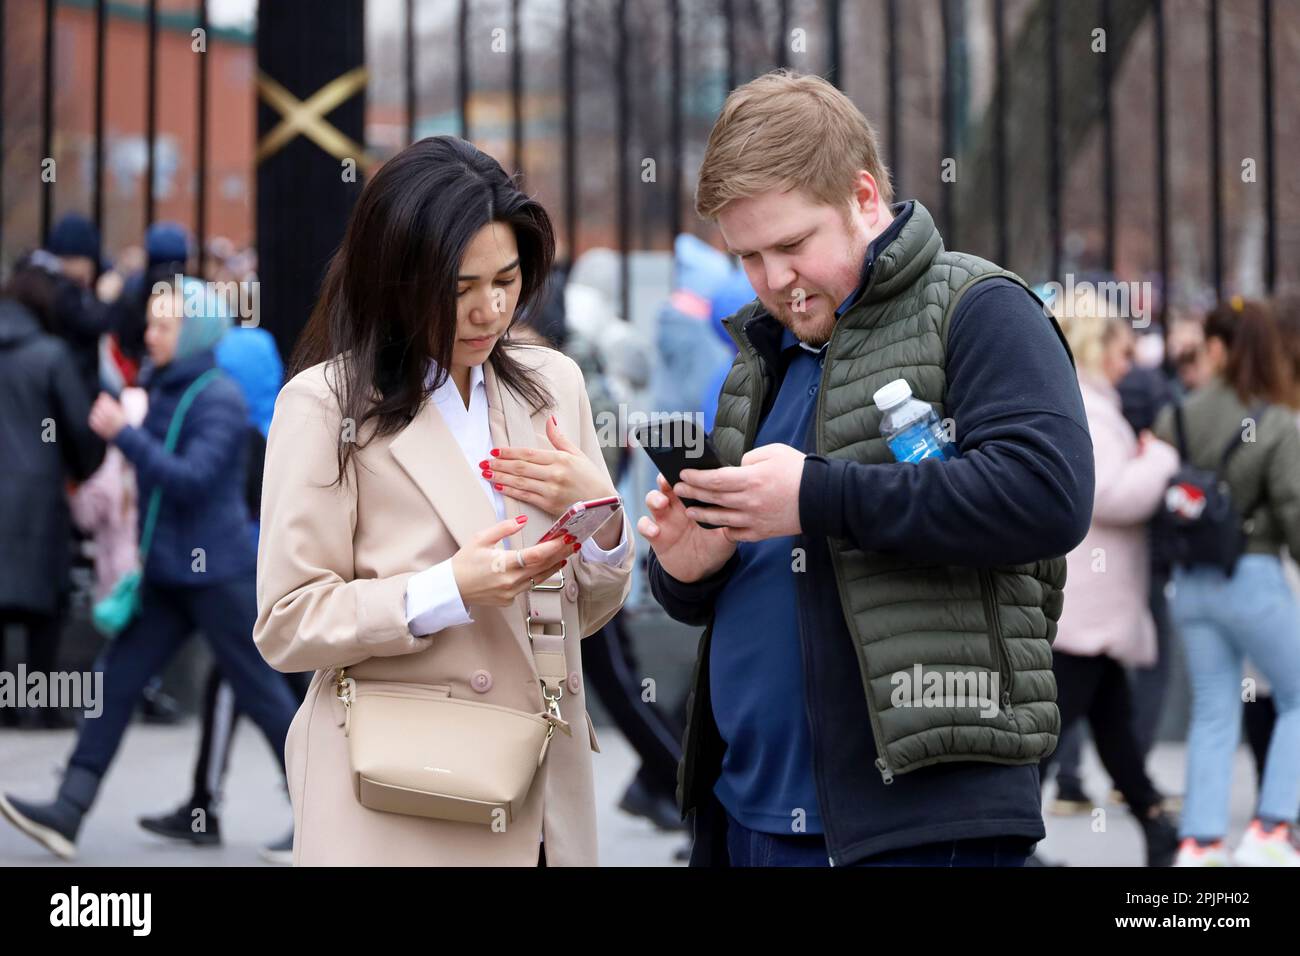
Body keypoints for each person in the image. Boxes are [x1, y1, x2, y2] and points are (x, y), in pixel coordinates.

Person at [640, 70, 1093, 867]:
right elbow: (762, 571)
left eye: (791, 245)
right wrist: (690, 570)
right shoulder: (763, 355)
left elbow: (1046, 496)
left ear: (863, 196)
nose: (773, 279)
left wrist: (817, 495)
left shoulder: (979, 306)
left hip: (920, 823)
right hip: (749, 814)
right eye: (748, 256)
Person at [253, 135, 634, 867]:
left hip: (543, 795)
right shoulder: (323, 407)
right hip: (398, 798)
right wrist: (444, 592)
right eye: (459, 288)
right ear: (395, 279)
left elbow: (583, 611)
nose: (489, 310)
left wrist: (604, 519)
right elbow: (287, 623)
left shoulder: (554, 384)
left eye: (507, 279)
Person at [0, 277, 299, 861]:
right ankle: (69, 808)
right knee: (112, 685)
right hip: (170, 576)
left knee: (263, 695)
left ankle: (319, 812)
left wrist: (126, 437)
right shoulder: (166, 385)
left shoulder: (220, 397)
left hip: (217, 575)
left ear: (194, 333)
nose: (150, 334)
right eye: (153, 322)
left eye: (165, 325)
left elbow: (191, 480)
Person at [1156, 298, 1300, 867]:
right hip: (1253, 577)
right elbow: (1294, 514)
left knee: (1214, 709)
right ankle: (1271, 828)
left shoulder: (1179, 415)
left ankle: (1201, 840)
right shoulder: (1278, 421)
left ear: (1219, 348)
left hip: (1192, 583)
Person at [1041, 296, 1181, 866]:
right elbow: (1111, 494)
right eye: (1122, 349)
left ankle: (1154, 824)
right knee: (1047, 735)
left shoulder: (1090, 400)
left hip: (1094, 607)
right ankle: (1015, 836)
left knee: (1106, 723)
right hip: (1087, 609)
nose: (1130, 363)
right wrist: (1161, 460)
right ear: (1098, 346)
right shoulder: (1092, 409)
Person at [0, 255, 106, 730]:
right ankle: (42, 705)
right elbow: (82, 434)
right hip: (40, 502)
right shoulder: (51, 355)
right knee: (46, 607)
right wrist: (82, 469)